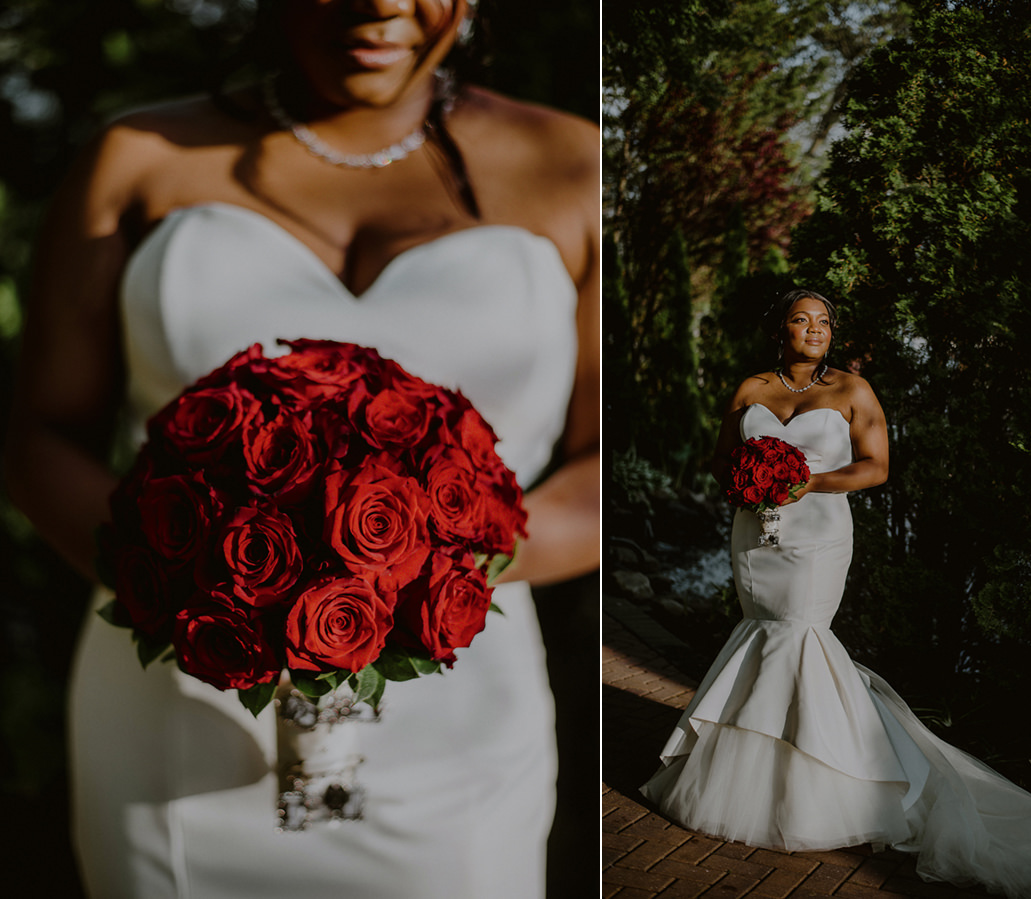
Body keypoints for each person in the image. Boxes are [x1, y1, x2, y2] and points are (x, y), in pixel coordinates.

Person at [2, 0, 599, 896]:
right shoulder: (137, 159)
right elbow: (38, 432)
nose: (381, 3)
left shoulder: (576, 164)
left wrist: (427, 572)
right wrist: (189, 574)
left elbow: (601, 464)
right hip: (181, 703)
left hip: (462, 720)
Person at [641, 289, 1031, 898]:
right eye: (801, 320)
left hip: (818, 532)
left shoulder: (852, 391)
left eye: (824, 322)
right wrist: (748, 481)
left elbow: (876, 466)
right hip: (756, 533)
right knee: (761, 632)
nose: (814, 330)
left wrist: (806, 482)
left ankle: (825, 787)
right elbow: (722, 459)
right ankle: (755, 779)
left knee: (799, 635)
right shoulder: (749, 388)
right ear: (779, 328)